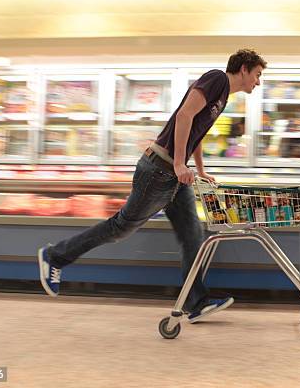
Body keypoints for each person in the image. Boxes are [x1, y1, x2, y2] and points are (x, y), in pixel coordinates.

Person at [38, 49, 267, 323]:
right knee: (121, 227)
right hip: (158, 171)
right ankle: (54, 256)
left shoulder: (222, 97)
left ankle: (195, 301)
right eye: (257, 75)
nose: (258, 81)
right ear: (243, 69)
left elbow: (196, 130)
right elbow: (184, 116)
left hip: (174, 177)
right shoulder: (216, 79)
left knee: (193, 235)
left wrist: (200, 169)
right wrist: (181, 164)